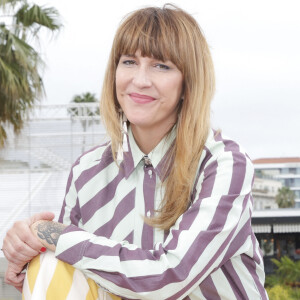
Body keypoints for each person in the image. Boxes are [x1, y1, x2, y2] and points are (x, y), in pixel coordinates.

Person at [2, 4, 269, 299]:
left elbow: (171, 276)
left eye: (161, 66)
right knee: (50, 263)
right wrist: (27, 247)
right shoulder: (85, 171)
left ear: (188, 82)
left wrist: (51, 233)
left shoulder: (223, 164)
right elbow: (67, 265)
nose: (140, 80)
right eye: (129, 61)